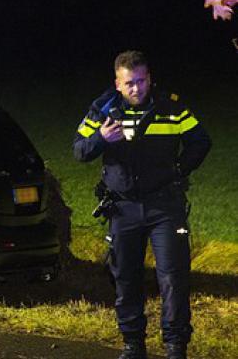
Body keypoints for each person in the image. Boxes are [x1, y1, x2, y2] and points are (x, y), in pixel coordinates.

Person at [73, 50, 211, 359]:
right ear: (117, 84)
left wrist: (179, 170)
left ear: (149, 78)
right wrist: (101, 139)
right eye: (129, 83)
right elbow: (79, 151)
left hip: (165, 206)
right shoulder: (103, 110)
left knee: (173, 277)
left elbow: (201, 141)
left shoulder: (171, 107)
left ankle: (175, 346)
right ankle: (133, 344)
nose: (136, 88)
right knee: (125, 277)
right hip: (123, 208)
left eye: (141, 81)